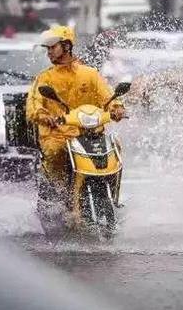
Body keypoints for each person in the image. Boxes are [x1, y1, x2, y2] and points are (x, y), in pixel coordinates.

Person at [26, 25, 125, 213]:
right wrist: (44, 115)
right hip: (57, 136)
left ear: (66, 46)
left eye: (52, 47)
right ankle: (61, 193)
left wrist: (117, 108)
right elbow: (34, 104)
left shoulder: (90, 74)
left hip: (89, 134)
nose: (49, 52)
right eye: (47, 49)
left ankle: (113, 195)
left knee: (116, 147)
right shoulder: (44, 78)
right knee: (55, 152)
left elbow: (108, 96)